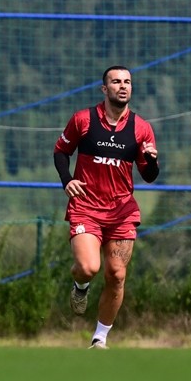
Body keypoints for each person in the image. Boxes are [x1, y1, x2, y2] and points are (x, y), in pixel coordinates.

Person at [54, 65, 159, 349]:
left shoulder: (141, 128)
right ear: (105, 89)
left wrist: (151, 161)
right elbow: (61, 152)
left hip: (122, 212)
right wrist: (67, 181)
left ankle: (99, 339)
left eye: (127, 82)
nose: (122, 86)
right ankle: (80, 287)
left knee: (117, 274)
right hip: (86, 206)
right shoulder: (83, 120)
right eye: (116, 81)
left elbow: (149, 176)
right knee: (88, 267)